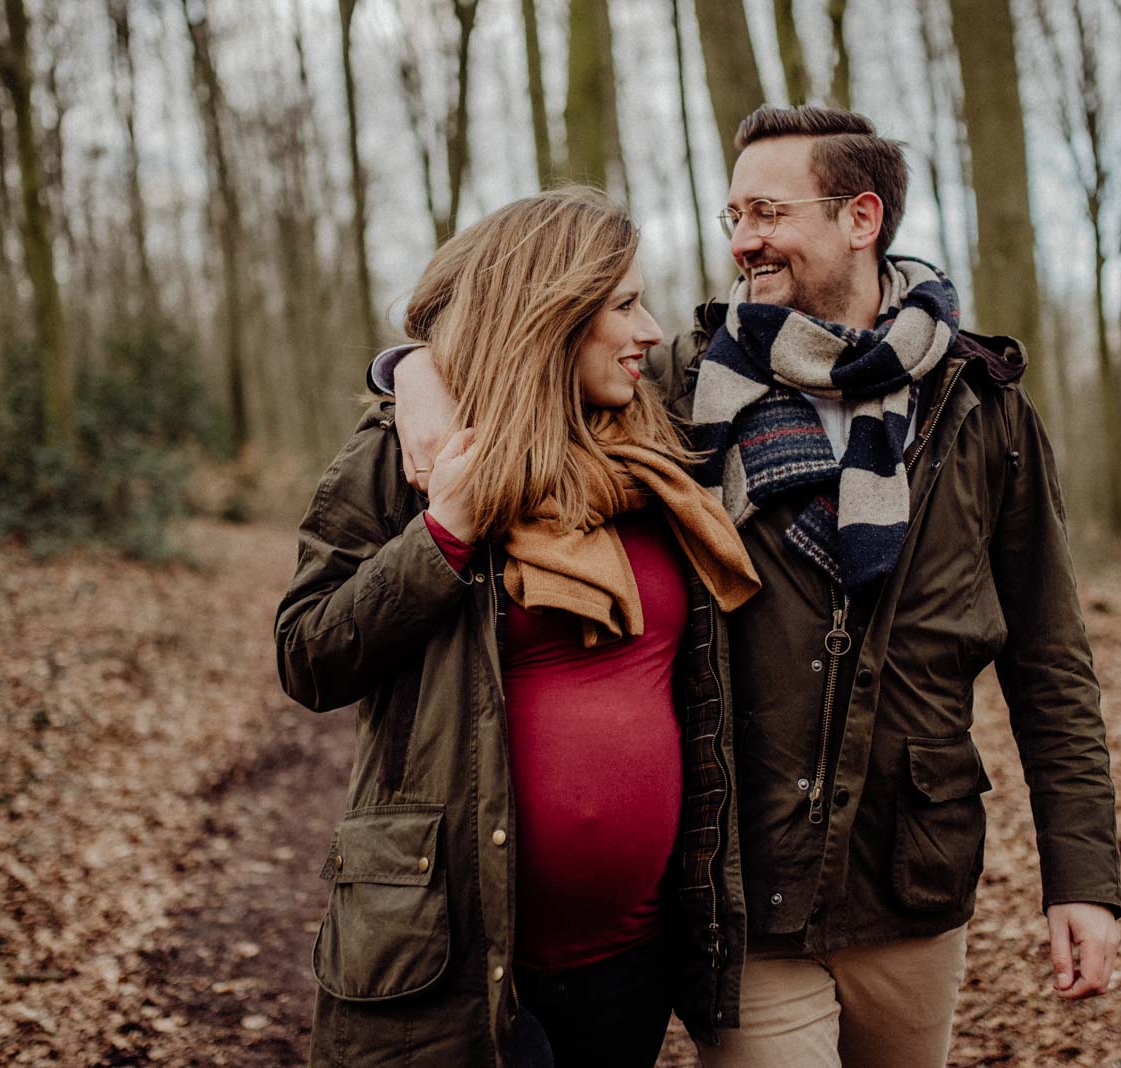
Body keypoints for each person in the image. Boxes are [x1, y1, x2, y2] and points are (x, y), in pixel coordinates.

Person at [380, 106, 1121, 1067]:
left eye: (767, 212)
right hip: (745, 881)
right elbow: (525, 360)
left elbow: (1051, 661)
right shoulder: (683, 384)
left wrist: (1084, 878)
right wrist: (411, 374)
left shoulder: (980, 407)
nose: (741, 241)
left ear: (861, 218)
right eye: (733, 213)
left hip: (913, 877)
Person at [275, 187, 760, 1068]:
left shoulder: (656, 450)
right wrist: (443, 535)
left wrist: (408, 362)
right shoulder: (408, 461)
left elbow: (796, 335)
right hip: (449, 958)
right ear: (549, 315)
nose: (649, 330)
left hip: (634, 961)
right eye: (622, 306)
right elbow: (308, 656)